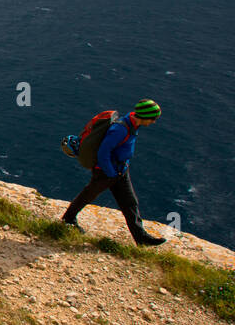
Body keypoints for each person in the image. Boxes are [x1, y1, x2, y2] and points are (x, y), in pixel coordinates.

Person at [61, 98, 166, 246]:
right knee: (88, 195)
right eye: (152, 118)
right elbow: (103, 152)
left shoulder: (132, 125)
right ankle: (68, 219)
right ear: (144, 116)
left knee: (130, 203)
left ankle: (141, 238)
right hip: (107, 172)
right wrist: (110, 173)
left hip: (120, 170)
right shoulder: (120, 129)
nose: (153, 122)